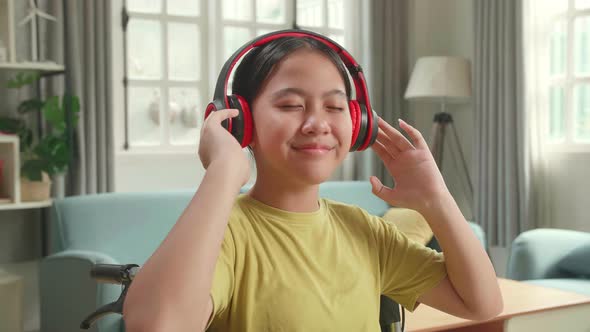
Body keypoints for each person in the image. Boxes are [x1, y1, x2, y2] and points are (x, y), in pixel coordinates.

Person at [122, 32, 503, 332]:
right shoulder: (226, 235)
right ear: (240, 121)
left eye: (335, 107)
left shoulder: (365, 232)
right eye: (290, 105)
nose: (318, 123)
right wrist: (223, 171)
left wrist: (435, 198)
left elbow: (482, 303)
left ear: (357, 124)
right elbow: (156, 325)